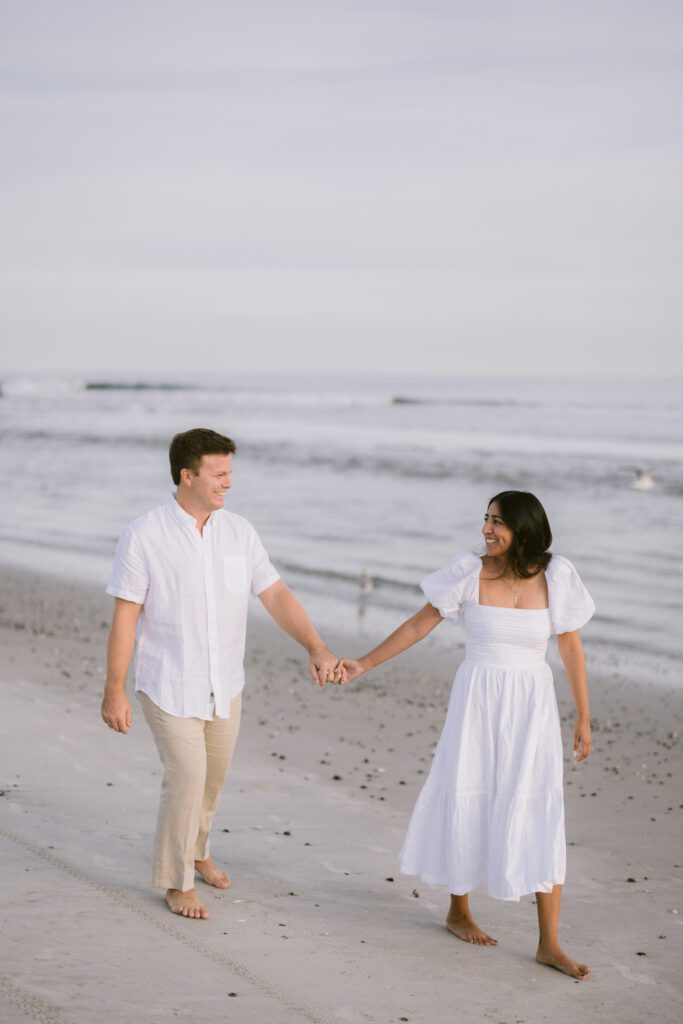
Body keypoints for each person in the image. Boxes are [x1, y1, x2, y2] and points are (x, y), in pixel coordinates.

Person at [337, 491, 595, 980]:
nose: (485, 529)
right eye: (485, 519)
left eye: (497, 522)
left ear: (524, 527)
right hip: (477, 697)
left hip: (531, 705)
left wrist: (584, 715)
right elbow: (420, 624)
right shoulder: (468, 572)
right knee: (467, 791)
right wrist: (363, 663)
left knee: (537, 804)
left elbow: (572, 649)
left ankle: (549, 943)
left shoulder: (557, 576)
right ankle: (458, 910)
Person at [101, 427, 341, 920]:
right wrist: (114, 689)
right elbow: (126, 615)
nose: (228, 483)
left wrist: (316, 646)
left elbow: (275, 595)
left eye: (230, 472)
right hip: (168, 681)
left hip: (224, 683)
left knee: (212, 780)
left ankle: (197, 850)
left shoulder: (240, 532)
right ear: (187, 476)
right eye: (219, 473)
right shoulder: (144, 534)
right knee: (186, 776)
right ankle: (176, 880)